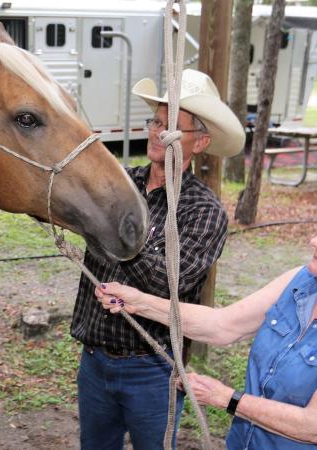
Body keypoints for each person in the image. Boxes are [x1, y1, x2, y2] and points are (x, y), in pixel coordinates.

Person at [96, 188, 317, 449]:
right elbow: (222, 325)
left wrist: (227, 398)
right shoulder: (301, 281)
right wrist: (140, 302)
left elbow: (315, 425)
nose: (315, 240)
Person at [71, 69, 245, 449]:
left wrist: (119, 230)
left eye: (171, 127)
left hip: (152, 368)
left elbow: (170, 283)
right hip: (94, 361)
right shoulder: (120, 183)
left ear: (200, 143)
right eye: (156, 121)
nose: (157, 132)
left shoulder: (204, 211)